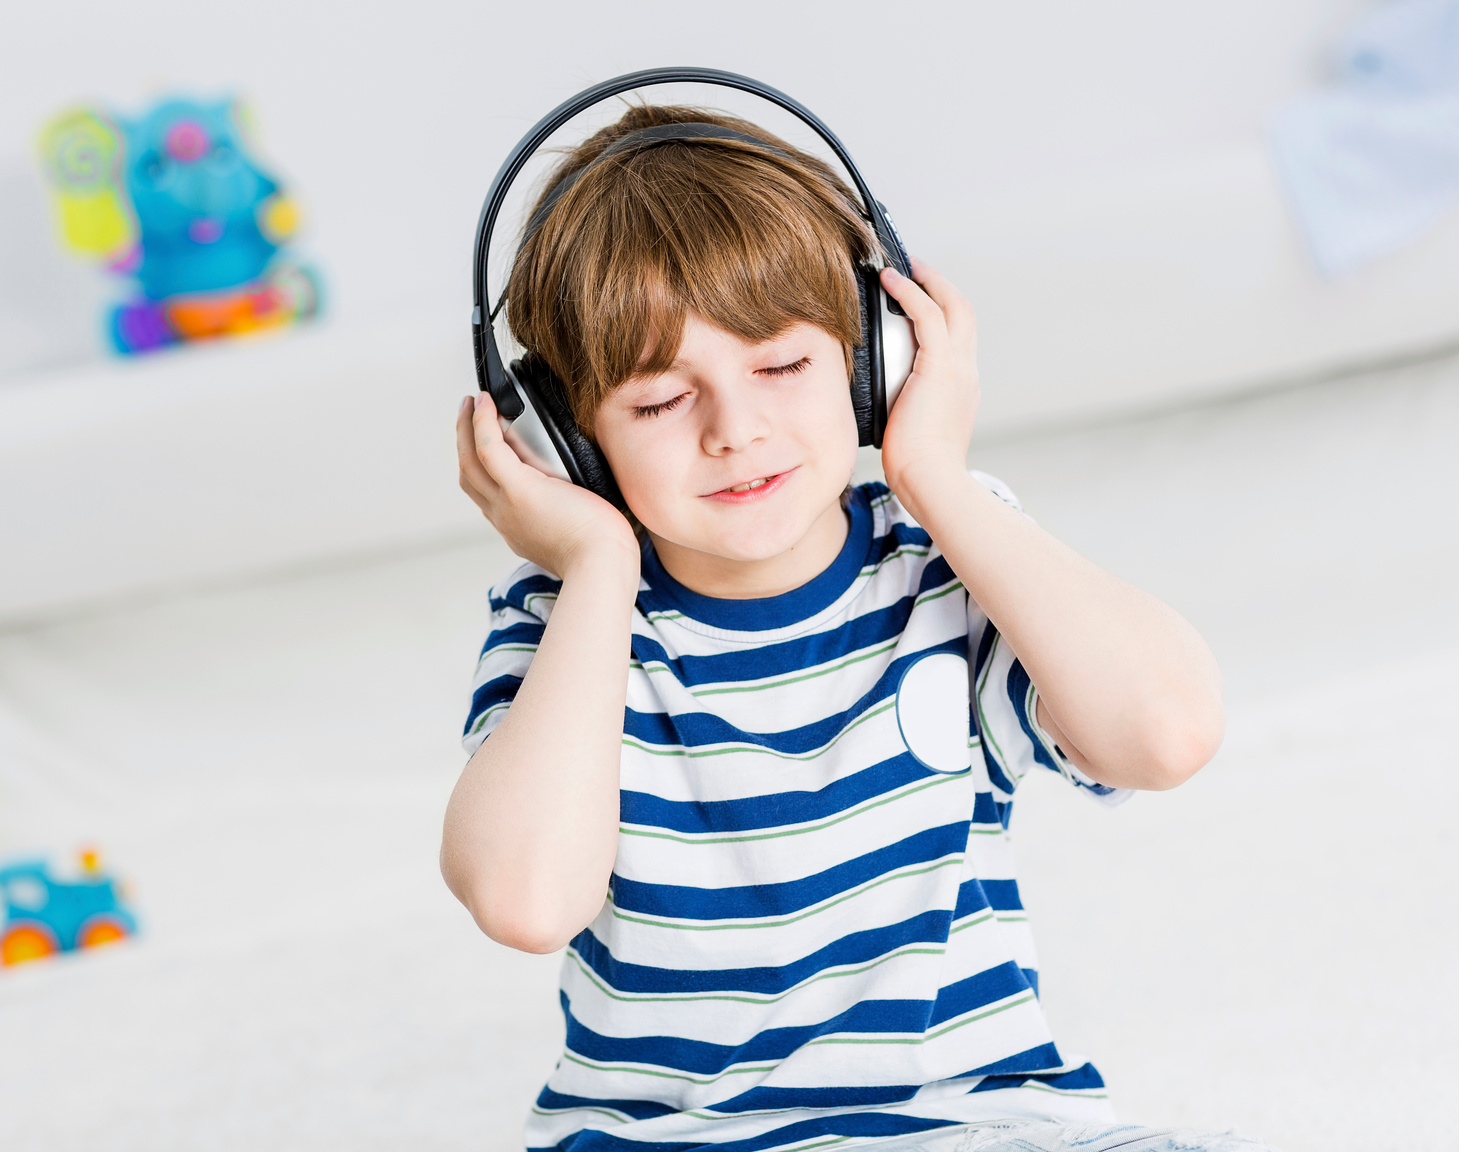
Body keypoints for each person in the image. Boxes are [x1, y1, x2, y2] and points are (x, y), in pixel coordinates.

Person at [444, 103, 1267, 1152]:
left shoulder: (948, 569)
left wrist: (934, 476)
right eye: (658, 402)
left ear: (871, 360)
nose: (734, 430)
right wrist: (596, 563)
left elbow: (1167, 732)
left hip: (982, 1123)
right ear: (567, 444)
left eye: (782, 367)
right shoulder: (567, 625)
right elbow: (524, 897)